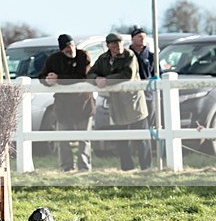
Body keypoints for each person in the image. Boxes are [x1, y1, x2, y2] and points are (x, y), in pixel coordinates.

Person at [88, 33, 150, 171]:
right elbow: (90, 73)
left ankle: (146, 167)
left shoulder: (129, 56)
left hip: (133, 101)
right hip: (117, 103)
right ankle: (127, 168)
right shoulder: (103, 59)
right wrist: (96, 79)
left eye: (120, 43)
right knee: (122, 139)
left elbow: (127, 74)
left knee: (141, 137)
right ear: (108, 46)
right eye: (114, 44)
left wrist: (107, 80)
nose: (118, 46)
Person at [38, 34, 95, 172]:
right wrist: (48, 80)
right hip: (63, 106)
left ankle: (84, 167)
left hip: (83, 104)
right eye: (67, 48)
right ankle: (66, 167)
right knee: (62, 138)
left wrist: (59, 78)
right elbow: (42, 76)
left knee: (84, 139)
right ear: (61, 49)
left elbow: (82, 76)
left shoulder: (83, 56)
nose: (70, 49)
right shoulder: (54, 59)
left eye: (72, 45)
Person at [129, 26, 157, 127]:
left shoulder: (151, 56)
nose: (142, 39)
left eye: (144, 37)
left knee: (151, 121)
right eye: (139, 36)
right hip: (132, 94)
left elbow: (157, 74)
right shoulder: (127, 55)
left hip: (148, 94)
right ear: (132, 39)